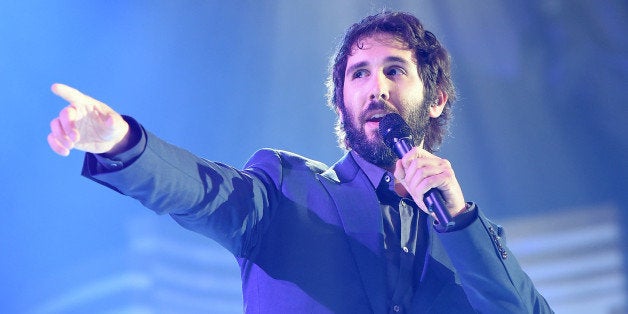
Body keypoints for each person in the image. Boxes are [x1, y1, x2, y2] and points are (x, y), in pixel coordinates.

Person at [47, 11, 553, 314]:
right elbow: (202, 191)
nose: (376, 87)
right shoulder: (287, 189)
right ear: (341, 104)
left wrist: (460, 221)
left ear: (438, 98)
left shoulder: (470, 238)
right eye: (359, 74)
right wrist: (120, 142)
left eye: (394, 69)